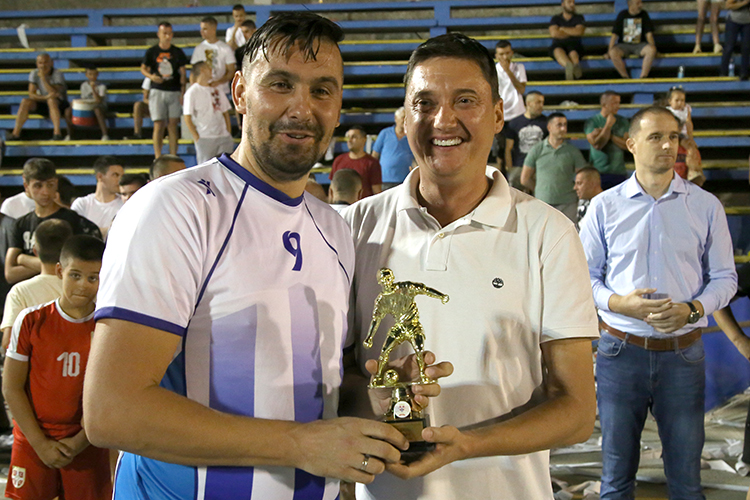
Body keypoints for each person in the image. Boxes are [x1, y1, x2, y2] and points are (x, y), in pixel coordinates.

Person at [83, 13, 425, 499]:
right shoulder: (176, 207)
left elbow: (327, 394)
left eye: (322, 90)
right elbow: (112, 411)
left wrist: (379, 399)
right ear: (240, 93)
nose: (301, 108)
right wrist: (298, 445)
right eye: (280, 85)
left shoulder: (334, 228)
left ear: (338, 107)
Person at [341, 33, 598, 500]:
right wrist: (375, 397)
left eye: (465, 100)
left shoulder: (548, 233)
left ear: (498, 115)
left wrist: (467, 445)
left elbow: (577, 411)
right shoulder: (355, 227)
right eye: (424, 103)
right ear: (404, 118)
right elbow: (334, 380)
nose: (443, 120)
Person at [579, 106, 737, 500]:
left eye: (674, 137)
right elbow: (583, 277)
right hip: (620, 351)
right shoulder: (604, 206)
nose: (668, 145)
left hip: (683, 354)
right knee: (616, 478)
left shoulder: (705, 206)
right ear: (631, 144)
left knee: (686, 481)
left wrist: (693, 310)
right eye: (656, 137)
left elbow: (725, 278)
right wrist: (619, 303)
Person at [3, 235, 111, 500]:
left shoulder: (109, 327)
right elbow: (11, 387)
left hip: (87, 441)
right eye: (75, 275)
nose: (83, 285)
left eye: (93, 277)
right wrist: (40, 445)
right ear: (60, 271)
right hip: (32, 439)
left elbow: (113, 393)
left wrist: (79, 442)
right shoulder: (31, 320)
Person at [5, 158, 101, 285]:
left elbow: (79, 267)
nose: (45, 192)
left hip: (63, 291)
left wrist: (23, 259)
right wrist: (55, 264)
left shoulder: (75, 221)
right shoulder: (20, 224)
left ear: (56, 183)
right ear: (26, 186)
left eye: (50, 185)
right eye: (38, 186)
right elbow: (10, 274)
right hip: (32, 292)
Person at [0, 219, 72, 350]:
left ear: (35, 251)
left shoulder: (19, 291)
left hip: (34, 361)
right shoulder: (84, 288)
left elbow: (8, 343)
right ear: (69, 250)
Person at [521, 112, 587, 222]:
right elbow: (525, 179)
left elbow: (583, 175)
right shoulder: (537, 149)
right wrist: (542, 190)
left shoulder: (573, 151)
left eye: (565, 125)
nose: (563, 128)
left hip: (568, 203)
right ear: (549, 127)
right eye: (559, 125)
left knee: (568, 232)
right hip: (543, 202)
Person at [141, 22, 188, 158]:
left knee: (173, 124)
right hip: (157, 89)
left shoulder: (177, 52)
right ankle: (157, 156)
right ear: (158, 34)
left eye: (169, 33)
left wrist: (182, 91)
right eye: (164, 33)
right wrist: (152, 77)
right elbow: (143, 68)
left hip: (174, 90)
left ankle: (173, 155)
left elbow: (183, 73)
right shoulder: (152, 51)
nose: (167, 36)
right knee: (158, 123)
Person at [9, 53, 72, 141]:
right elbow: (31, 94)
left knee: (51, 100)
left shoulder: (57, 73)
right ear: (37, 64)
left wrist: (43, 79)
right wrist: (45, 97)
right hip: (44, 102)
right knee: (25, 101)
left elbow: (54, 92)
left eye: (45, 62)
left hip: (60, 104)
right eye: (40, 63)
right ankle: (15, 133)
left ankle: (57, 132)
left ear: (51, 63)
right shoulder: (34, 73)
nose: (43, 65)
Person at [183, 61, 235, 165]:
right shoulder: (192, 92)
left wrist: (228, 132)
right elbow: (187, 117)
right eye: (208, 68)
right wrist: (197, 137)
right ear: (202, 70)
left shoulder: (217, 88)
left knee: (227, 167)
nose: (211, 70)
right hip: (205, 137)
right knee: (205, 167)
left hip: (223, 136)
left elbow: (225, 112)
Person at [584, 91, 629, 189]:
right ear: (604, 104)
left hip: (619, 172)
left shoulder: (623, 121)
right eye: (614, 103)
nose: (618, 106)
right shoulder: (593, 122)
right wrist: (608, 126)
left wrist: (609, 135)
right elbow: (598, 145)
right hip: (599, 172)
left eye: (619, 103)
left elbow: (627, 145)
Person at [71, 156, 124, 237]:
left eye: (121, 176)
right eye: (115, 175)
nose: (120, 180)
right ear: (100, 176)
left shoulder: (125, 204)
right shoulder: (82, 204)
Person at [608, 0, 657, 79]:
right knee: (613, 52)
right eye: (638, 3)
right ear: (630, 4)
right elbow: (614, 35)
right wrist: (609, 51)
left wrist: (654, 48)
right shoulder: (622, 15)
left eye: (641, 3)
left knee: (651, 50)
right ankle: (625, 77)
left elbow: (649, 34)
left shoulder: (644, 14)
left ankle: (643, 77)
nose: (640, 5)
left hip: (640, 45)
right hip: (624, 45)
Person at [329, 126, 382, 197]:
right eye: (348, 137)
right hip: (341, 203)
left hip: (363, 203)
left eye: (354, 137)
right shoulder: (339, 160)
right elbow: (332, 187)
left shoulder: (372, 163)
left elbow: (376, 191)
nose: (349, 140)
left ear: (364, 139)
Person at [191, 17, 236, 99]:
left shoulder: (225, 48)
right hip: (203, 92)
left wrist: (219, 82)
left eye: (205, 29)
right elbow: (194, 72)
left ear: (213, 29)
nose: (201, 31)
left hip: (221, 91)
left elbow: (231, 70)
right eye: (201, 29)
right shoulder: (199, 48)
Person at [504, 90, 547, 172]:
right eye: (538, 102)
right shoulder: (514, 123)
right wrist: (510, 169)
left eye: (542, 102)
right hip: (519, 167)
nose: (541, 106)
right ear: (528, 103)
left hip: (540, 167)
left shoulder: (546, 122)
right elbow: (508, 149)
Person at [372, 107, 413, 189]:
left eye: (407, 118)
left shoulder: (411, 136)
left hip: (404, 181)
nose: (405, 120)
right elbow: (374, 155)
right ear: (395, 118)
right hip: (384, 180)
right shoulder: (385, 133)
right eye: (403, 117)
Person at [549, 0, 586, 80]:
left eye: (573, 2)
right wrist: (571, 32)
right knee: (557, 50)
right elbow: (554, 33)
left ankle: (575, 70)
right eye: (569, 2)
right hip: (559, 44)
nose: (572, 4)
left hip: (574, 44)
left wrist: (562, 29)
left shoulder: (579, 17)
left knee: (573, 52)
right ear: (563, 4)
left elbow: (579, 31)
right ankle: (570, 67)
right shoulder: (556, 18)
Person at [494, 40, 527, 121]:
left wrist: (508, 71)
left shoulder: (519, 67)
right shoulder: (492, 70)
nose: (505, 57)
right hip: (500, 113)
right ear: (496, 56)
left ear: (512, 53)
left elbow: (521, 90)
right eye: (501, 54)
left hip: (518, 112)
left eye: (507, 53)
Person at [720, 0, 750, 81]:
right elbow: (728, 5)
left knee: (746, 47)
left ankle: (744, 73)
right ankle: (723, 72)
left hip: (747, 21)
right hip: (733, 20)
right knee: (729, 47)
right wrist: (744, 3)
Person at [79, 66, 109, 141]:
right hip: (88, 106)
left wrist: (93, 89)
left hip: (100, 107)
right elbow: (83, 99)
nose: (92, 76)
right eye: (90, 74)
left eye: (94, 74)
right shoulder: (84, 85)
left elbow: (98, 101)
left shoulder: (102, 86)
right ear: (86, 75)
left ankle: (105, 134)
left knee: (97, 110)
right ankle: (73, 135)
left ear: (97, 74)